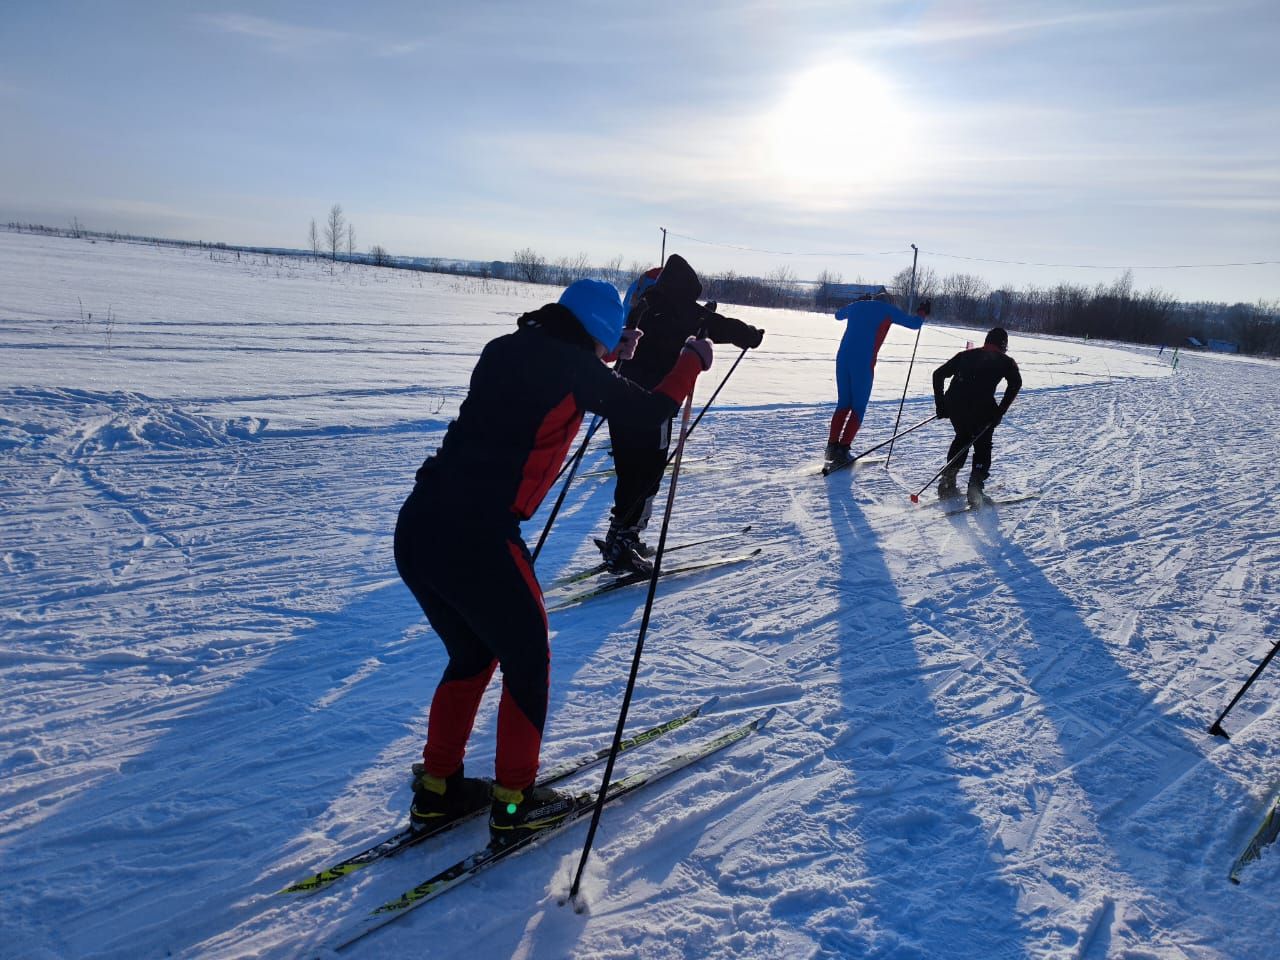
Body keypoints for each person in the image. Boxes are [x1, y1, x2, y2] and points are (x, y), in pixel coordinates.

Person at [394, 278, 713, 848]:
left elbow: (559, 373)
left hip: (421, 525)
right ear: (598, 334)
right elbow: (648, 413)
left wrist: (610, 351)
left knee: (471, 654)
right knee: (528, 658)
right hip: (478, 536)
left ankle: (438, 791)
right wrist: (689, 362)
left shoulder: (507, 347)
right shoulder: (576, 369)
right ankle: (515, 805)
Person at [599, 254, 764, 574]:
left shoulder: (642, 305)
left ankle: (619, 534)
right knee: (649, 474)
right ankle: (626, 541)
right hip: (655, 404)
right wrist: (751, 334)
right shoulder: (686, 310)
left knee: (629, 471)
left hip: (619, 400)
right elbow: (723, 327)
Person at [826, 292, 931, 465]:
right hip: (863, 362)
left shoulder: (857, 306)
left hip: (842, 358)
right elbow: (914, 324)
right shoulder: (887, 310)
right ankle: (843, 450)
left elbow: (837, 315)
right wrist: (922, 312)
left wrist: (857, 303)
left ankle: (831, 448)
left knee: (844, 403)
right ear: (889, 302)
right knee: (858, 407)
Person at [931, 326, 1022, 504]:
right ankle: (975, 489)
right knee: (982, 445)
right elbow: (1016, 384)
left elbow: (938, 375)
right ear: (1003, 345)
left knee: (963, 436)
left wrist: (941, 405)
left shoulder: (965, 355)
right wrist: (1000, 411)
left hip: (955, 404)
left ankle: (948, 482)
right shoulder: (1006, 361)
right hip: (981, 408)